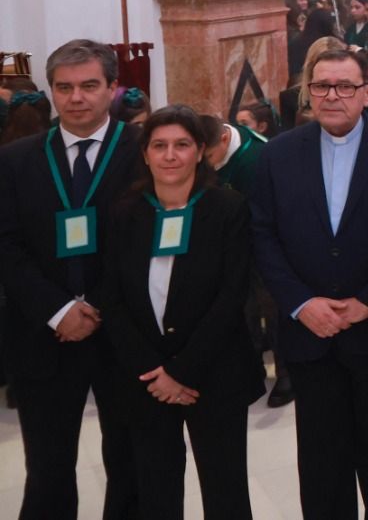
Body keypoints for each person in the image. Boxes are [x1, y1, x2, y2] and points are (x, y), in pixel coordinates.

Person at [249, 47, 368, 520]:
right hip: (309, 335)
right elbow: (262, 235)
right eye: (321, 86)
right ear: (307, 92)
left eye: (345, 86)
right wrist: (300, 302)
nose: (332, 96)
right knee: (322, 468)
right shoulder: (278, 154)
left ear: (367, 92)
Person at [0, 39, 144, 518]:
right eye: (65, 88)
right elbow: (7, 245)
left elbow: (143, 247)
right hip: (45, 334)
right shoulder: (17, 159)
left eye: (88, 86)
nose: (76, 98)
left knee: (129, 464)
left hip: (123, 332)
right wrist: (59, 310)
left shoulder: (144, 149)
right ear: (51, 92)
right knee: (47, 468)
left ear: (112, 89)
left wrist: (96, 308)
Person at [100, 105, 262, 519]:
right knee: (155, 489)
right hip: (146, 377)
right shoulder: (124, 214)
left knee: (225, 489)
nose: (170, 155)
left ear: (200, 151)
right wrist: (155, 370)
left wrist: (182, 372)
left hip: (215, 373)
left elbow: (231, 298)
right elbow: (111, 299)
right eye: (160, 146)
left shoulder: (228, 209)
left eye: (182, 145)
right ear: (146, 154)